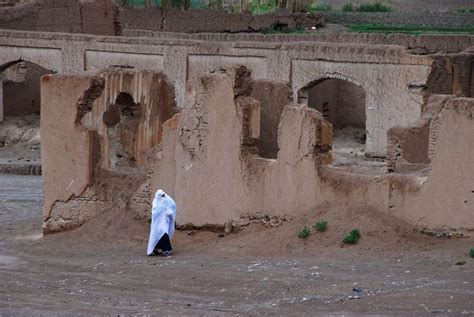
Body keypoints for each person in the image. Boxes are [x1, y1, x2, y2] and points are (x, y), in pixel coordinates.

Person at [147, 189, 176, 257]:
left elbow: (171, 207)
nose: (163, 197)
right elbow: (156, 213)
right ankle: (166, 250)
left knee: (163, 235)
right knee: (160, 236)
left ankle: (157, 249)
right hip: (157, 225)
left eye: (163, 195)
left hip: (163, 224)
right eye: (161, 196)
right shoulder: (156, 204)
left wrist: (171, 216)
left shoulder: (165, 202)